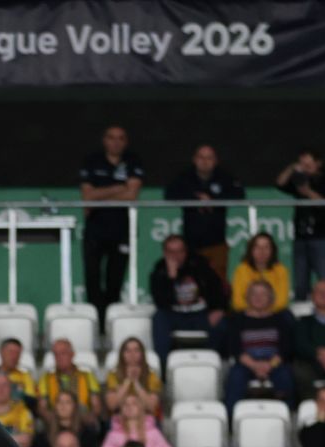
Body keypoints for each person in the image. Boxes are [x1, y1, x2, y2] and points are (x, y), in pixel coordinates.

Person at [79, 125, 144, 326]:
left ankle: (111, 324)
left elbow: (132, 195)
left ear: (126, 141)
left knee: (115, 280)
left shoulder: (133, 161)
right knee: (92, 278)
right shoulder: (92, 161)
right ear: (104, 140)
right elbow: (87, 196)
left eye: (120, 138)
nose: (116, 142)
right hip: (95, 229)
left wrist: (99, 194)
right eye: (111, 137)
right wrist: (118, 187)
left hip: (122, 229)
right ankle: (95, 323)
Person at [163, 144, 246, 281]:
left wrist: (213, 201)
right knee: (190, 281)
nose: (205, 161)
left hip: (217, 242)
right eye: (201, 157)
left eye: (209, 158)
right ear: (194, 159)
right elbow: (169, 194)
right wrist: (195, 200)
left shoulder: (224, 177)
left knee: (218, 281)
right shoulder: (185, 177)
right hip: (191, 243)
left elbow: (239, 194)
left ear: (216, 160)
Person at [149, 234, 228, 361]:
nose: (176, 256)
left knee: (222, 322)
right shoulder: (159, 271)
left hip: (200, 315)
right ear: (165, 253)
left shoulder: (200, 265)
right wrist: (171, 278)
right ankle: (163, 366)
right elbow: (161, 302)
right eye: (171, 252)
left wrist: (218, 309)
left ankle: (212, 362)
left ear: (185, 252)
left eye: (180, 251)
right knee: (158, 318)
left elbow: (218, 289)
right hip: (174, 316)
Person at [276, 148, 325, 300]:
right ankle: (301, 310)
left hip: (321, 237)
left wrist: (308, 192)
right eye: (302, 165)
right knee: (300, 283)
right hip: (300, 237)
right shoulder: (300, 179)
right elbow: (280, 183)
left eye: (308, 165)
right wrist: (292, 168)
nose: (305, 168)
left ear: (318, 163)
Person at [224, 281, 295, 413]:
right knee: (235, 377)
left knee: (285, 376)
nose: (258, 297)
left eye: (263, 294)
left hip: (274, 362)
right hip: (247, 362)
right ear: (247, 297)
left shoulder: (281, 319)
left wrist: (269, 365)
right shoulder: (237, 319)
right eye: (254, 294)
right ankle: (231, 418)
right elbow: (235, 349)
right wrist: (255, 365)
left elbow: (285, 349)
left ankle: (286, 415)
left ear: (271, 298)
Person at [95, 393, 172, 447]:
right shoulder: (113, 435)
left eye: (134, 403)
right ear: (121, 409)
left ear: (141, 407)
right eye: (125, 404)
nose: (129, 407)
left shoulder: (153, 433)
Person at [38, 339, 103, 420]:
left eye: (63, 353)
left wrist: (87, 418)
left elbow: (96, 406)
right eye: (56, 354)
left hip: (82, 417)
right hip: (56, 418)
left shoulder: (87, 376)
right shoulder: (46, 378)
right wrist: (53, 420)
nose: (59, 358)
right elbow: (42, 408)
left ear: (72, 354)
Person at [35, 390, 101, 447]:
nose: (63, 405)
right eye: (59, 402)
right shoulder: (44, 436)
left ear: (75, 406)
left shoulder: (87, 434)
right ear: (55, 406)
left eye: (68, 402)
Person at [231, 233, 291, 314]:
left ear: (272, 251)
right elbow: (237, 301)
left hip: (273, 313)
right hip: (247, 313)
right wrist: (253, 312)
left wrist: (266, 312)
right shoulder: (241, 270)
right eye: (257, 247)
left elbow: (282, 301)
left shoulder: (281, 270)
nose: (262, 251)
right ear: (251, 250)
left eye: (266, 247)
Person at [104, 337, 163, 417]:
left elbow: (151, 407)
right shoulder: (113, 375)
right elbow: (112, 405)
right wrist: (128, 380)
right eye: (128, 351)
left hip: (146, 418)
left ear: (142, 354)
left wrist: (136, 382)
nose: (132, 354)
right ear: (122, 354)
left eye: (136, 350)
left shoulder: (152, 376)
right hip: (120, 418)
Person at [0, 371, 35, 447]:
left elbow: (26, 442)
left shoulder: (22, 411)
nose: (1, 388)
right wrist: (14, 439)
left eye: (5, 385)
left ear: (11, 389)